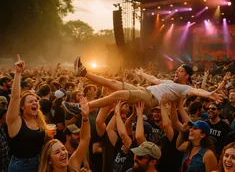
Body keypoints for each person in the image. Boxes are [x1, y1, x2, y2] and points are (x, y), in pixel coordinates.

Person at [63, 57, 223, 112]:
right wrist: (142, 74)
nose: (176, 72)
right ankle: (83, 72)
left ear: (187, 75)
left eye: (180, 71)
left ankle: (84, 108)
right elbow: (154, 80)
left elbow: (195, 91)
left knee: (118, 95)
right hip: (144, 90)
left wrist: (208, 94)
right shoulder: (168, 81)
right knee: (113, 83)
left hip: (150, 98)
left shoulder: (184, 87)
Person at [6, 55, 55, 172]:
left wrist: (49, 137)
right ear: (22, 107)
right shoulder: (14, 121)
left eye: (36, 101)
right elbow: (15, 97)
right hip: (21, 166)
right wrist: (18, 73)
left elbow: (44, 144)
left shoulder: (39, 120)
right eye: (30, 101)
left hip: (40, 162)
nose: (35, 103)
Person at [38, 97, 91, 172]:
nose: (63, 153)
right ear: (49, 160)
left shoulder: (72, 165)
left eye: (63, 149)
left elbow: (85, 139)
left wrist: (85, 117)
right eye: (57, 152)